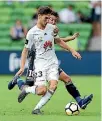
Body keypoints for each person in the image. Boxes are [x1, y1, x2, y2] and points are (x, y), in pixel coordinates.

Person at [8, 9, 93, 114]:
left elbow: (58, 41)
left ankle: (36, 109)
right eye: (46, 18)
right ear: (39, 16)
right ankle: (21, 85)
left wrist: (72, 50)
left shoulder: (52, 28)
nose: (49, 20)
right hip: (38, 64)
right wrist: (21, 67)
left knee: (56, 84)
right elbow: (25, 50)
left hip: (52, 63)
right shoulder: (31, 33)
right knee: (39, 89)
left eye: (50, 18)